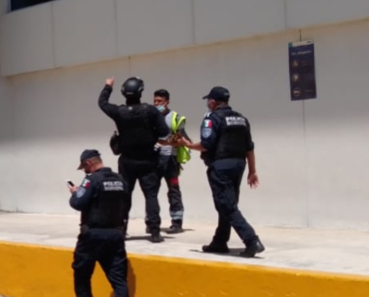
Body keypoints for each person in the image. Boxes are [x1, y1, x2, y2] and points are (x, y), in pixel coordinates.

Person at [183, 86, 265, 258]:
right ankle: (220, 241)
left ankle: (252, 240)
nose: (207, 103)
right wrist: (252, 170)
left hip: (220, 166)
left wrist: (188, 145)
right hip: (239, 165)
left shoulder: (212, 119)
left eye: (208, 100)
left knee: (227, 205)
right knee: (227, 203)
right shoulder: (242, 119)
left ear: (213, 102)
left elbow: (206, 145)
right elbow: (249, 148)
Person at [97, 76, 169, 244]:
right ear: (141, 92)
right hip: (148, 160)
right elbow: (164, 131)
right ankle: (155, 232)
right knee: (151, 196)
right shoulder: (150, 111)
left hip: (127, 161)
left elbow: (102, 103)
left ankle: (121, 230)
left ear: (124, 93)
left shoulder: (119, 112)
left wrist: (108, 86)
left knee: (124, 196)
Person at [67, 149, 133, 297]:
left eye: (84, 168)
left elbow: (78, 203)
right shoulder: (120, 180)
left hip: (92, 235)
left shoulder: (91, 180)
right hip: (115, 234)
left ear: (89, 163)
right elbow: (126, 204)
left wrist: (75, 192)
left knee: (82, 274)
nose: (84, 172)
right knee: (118, 277)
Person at [151, 90, 189, 235]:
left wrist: (171, 142)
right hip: (154, 158)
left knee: (173, 190)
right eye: (155, 101)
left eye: (159, 101)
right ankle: (152, 222)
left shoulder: (175, 117)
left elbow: (181, 138)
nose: (156, 104)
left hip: (171, 160)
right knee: (151, 191)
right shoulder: (150, 116)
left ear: (167, 102)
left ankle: (177, 222)